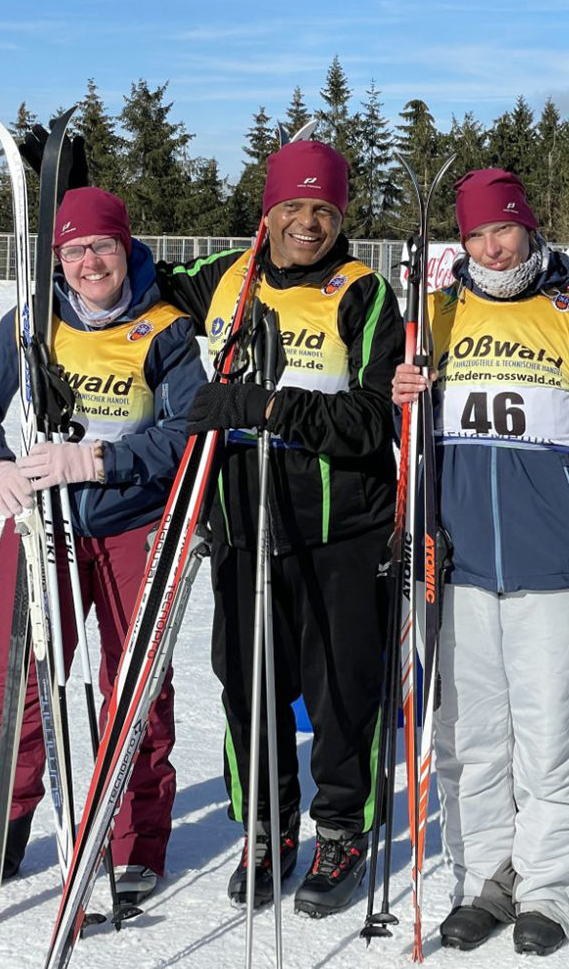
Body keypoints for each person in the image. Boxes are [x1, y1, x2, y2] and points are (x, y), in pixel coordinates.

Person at [393, 168, 569, 956]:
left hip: (556, 565)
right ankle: (481, 880)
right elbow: (406, 450)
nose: (492, 246)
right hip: (458, 567)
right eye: (475, 234)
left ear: (530, 231)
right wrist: (398, 395)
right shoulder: (435, 316)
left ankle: (547, 892)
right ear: (458, 244)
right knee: (468, 740)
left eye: (504, 229)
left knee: (548, 741)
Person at [0, 187, 205, 907]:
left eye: (103, 248)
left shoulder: (166, 330)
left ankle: (134, 845)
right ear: (59, 257)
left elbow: (188, 433)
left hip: (133, 525)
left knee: (136, 684)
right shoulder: (33, 321)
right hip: (42, 527)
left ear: (125, 248)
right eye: (76, 250)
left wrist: (98, 462)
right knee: (18, 687)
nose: (90, 262)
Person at [154, 139, 403, 916]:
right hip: (242, 522)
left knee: (342, 691)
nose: (305, 223)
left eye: (322, 210)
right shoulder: (224, 275)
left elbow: (370, 421)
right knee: (247, 683)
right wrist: (79, 205)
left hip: (341, 530)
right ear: (267, 211)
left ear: (341, 216)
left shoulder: (362, 292)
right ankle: (267, 825)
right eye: (290, 208)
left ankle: (341, 830)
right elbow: (126, 282)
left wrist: (262, 407)